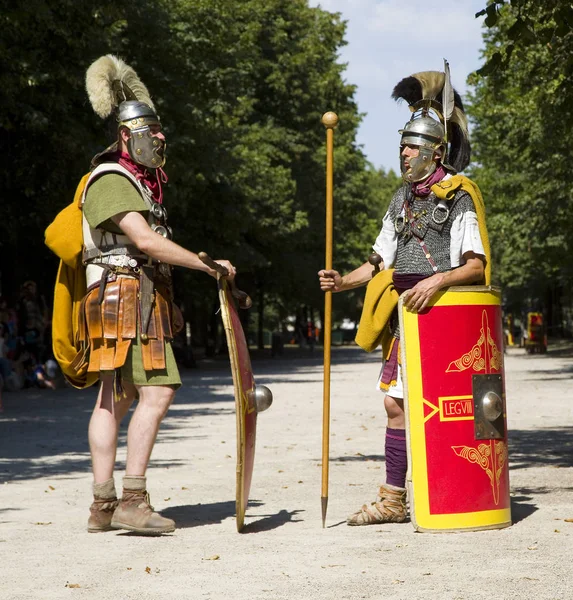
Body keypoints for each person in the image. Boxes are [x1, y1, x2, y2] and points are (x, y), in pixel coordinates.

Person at [56, 55, 236, 535]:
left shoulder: (136, 181)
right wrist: (206, 263)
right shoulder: (112, 178)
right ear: (125, 136)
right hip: (126, 297)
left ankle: (102, 505)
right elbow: (146, 242)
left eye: (160, 134)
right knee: (156, 390)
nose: (159, 140)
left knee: (115, 399)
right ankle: (131, 500)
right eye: (150, 133)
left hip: (126, 295)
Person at [318, 66, 488, 526]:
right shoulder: (401, 200)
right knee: (395, 404)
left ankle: (456, 491)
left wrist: (436, 281)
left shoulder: (458, 196)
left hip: (442, 319)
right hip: (404, 319)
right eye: (402, 144)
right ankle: (394, 499)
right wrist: (342, 281)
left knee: (449, 409)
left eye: (412, 145)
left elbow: (476, 264)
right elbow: (377, 261)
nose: (404, 152)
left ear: (436, 151)